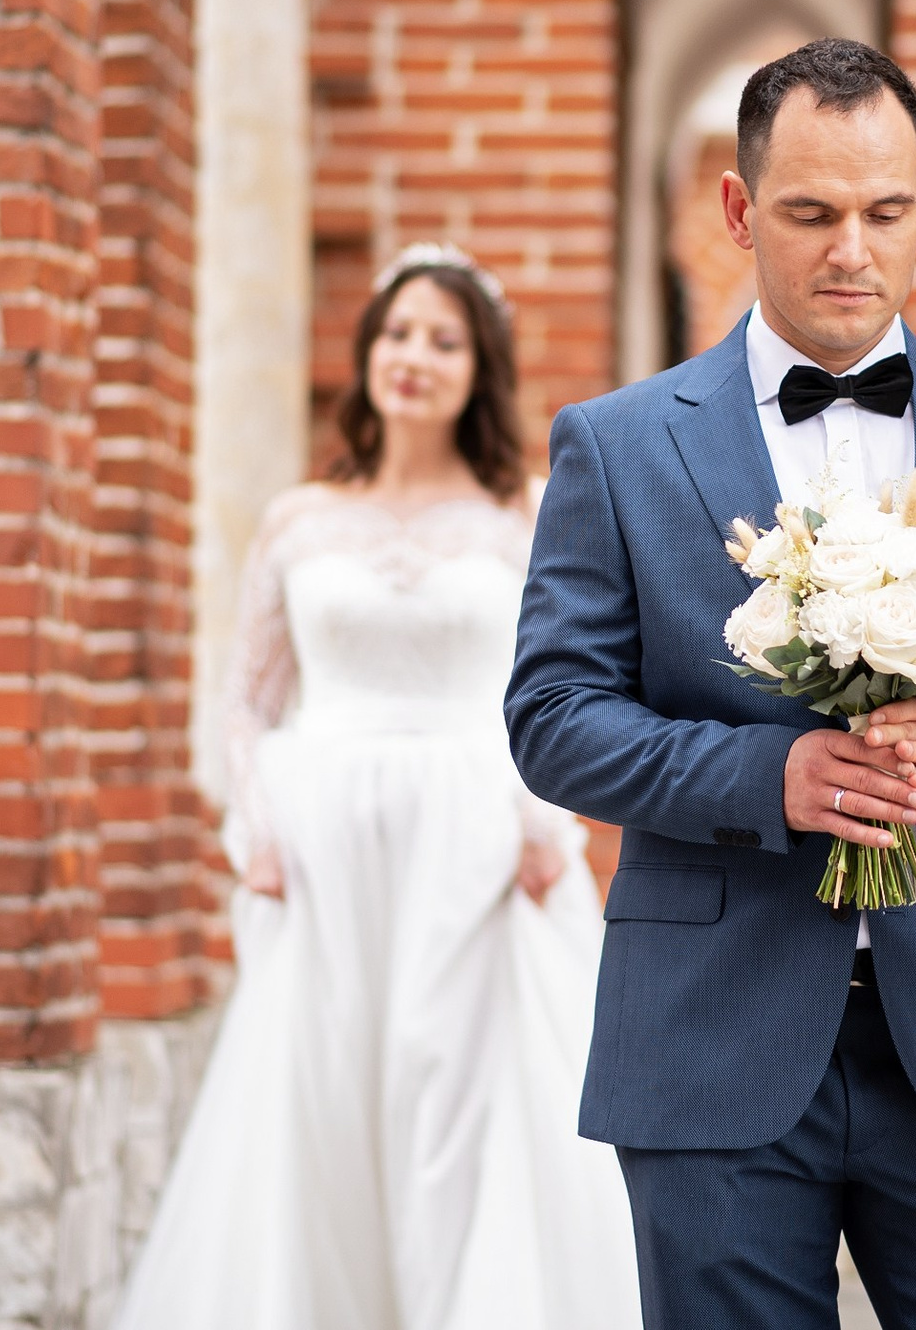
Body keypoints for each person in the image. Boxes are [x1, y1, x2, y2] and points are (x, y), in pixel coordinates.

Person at [505, 38, 916, 1329]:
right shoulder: (617, 446)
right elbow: (554, 718)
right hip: (709, 1037)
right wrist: (773, 774)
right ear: (739, 209)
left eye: (884, 211)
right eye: (810, 212)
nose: (851, 249)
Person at [113, 246, 641, 1330]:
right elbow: (247, 703)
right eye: (398, 333)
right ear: (365, 353)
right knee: (323, 1102)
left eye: (445, 341)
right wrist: (255, 833)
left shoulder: (527, 513)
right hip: (323, 849)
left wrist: (544, 825)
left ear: (479, 369)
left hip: (482, 848)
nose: (415, 356)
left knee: (468, 1105)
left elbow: (568, 688)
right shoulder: (298, 518)